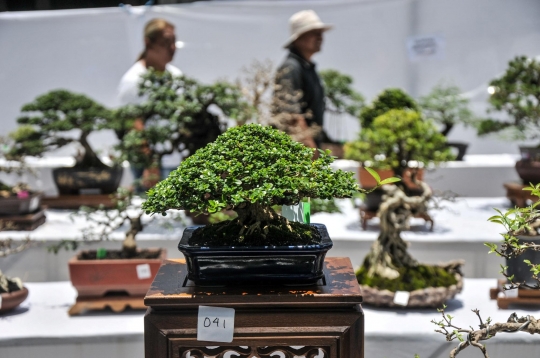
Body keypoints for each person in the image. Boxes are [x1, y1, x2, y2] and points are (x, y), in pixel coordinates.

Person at [117, 18, 181, 192]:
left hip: (176, 158)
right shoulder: (133, 80)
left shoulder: (175, 75)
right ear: (148, 43)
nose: (172, 47)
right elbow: (133, 125)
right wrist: (150, 164)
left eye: (174, 41)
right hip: (151, 165)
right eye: (166, 42)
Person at [272, 10, 332, 149]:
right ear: (299, 37)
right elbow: (290, 113)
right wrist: (309, 149)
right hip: (294, 152)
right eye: (314, 33)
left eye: (321, 33)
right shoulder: (291, 68)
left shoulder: (307, 68)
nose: (320, 38)